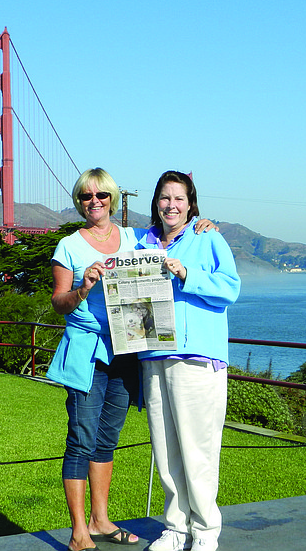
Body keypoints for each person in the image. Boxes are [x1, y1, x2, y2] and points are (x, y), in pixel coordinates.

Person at [48, 168, 217, 551]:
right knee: (81, 440)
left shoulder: (134, 238)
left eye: (103, 196)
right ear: (79, 201)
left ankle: (100, 521)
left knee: (107, 440)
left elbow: (171, 235)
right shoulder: (69, 246)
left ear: (114, 199)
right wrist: (82, 288)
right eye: (88, 197)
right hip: (87, 354)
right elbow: (59, 304)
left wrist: (201, 223)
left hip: (126, 350)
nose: (96, 202)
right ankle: (78, 533)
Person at [137, 171, 240, 551]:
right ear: (156, 202)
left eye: (179, 198)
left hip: (196, 358)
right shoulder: (142, 241)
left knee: (198, 450)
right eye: (165, 198)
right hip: (153, 354)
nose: (171, 205)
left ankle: (205, 532)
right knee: (166, 452)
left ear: (191, 203)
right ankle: (175, 529)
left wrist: (186, 272)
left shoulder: (206, 236)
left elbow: (230, 288)